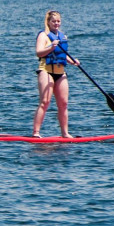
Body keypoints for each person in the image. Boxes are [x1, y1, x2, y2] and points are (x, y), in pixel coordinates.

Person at [32, 10, 80, 138]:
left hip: (60, 72)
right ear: (48, 22)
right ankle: (36, 133)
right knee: (45, 101)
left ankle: (65, 133)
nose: (56, 23)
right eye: (53, 21)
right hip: (46, 71)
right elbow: (39, 52)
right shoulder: (43, 35)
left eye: (58, 21)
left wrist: (73, 61)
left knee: (63, 103)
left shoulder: (62, 36)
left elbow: (62, 55)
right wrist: (51, 47)